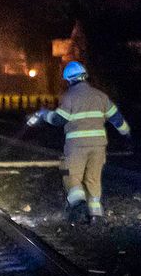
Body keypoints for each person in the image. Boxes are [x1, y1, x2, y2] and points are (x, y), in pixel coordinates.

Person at [30, 61, 131, 223]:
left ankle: (78, 204)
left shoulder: (69, 97)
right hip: (98, 146)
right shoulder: (101, 96)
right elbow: (117, 119)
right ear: (84, 77)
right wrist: (126, 134)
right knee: (93, 179)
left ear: (69, 80)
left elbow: (58, 119)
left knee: (69, 173)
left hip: (76, 146)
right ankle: (96, 215)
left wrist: (44, 114)